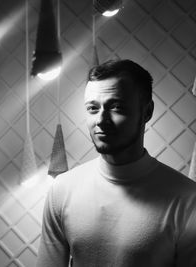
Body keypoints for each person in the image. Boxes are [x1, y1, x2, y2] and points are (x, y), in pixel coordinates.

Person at [36, 59, 196, 267]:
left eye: (117, 107)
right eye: (93, 108)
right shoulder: (63, 189)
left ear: (147, 112)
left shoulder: (188, 200)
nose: (101, 120)